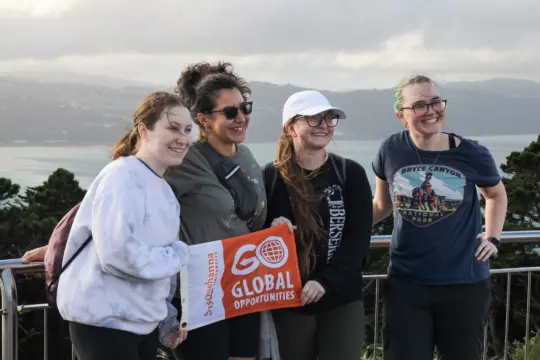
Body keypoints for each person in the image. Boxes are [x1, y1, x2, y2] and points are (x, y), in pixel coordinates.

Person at [372, 75, 508, 360]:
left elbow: (495, 195)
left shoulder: (472, 153)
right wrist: (337, 227)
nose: (431, 110)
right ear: (402, 115)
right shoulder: (391, 150)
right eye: (419, 105)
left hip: (464, 284)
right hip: (407, 285)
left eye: (435, 101)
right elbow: (382, 206)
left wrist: (493, 237)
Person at [165, 61, 292, 360]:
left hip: (244, 286)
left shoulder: (246, 155)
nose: (241, 118)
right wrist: (69, 236)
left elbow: (247, 220)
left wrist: (276, 225)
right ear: (204, 120)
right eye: (231, 112)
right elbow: (129, 193)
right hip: (202, 292)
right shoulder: (185, 160)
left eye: (245, 108)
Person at [56, 92, 192, 360]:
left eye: (188, 130)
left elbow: (156, 272)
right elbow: (118, 255)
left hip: (140, 326)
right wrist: (178, 254)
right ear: (144, 130)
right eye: (172, 128)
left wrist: (166, 318)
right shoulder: (122, 177)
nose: (183, 138)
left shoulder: (163, 190)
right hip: (104, 324)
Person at [263, 90, 373, 360]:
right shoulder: (271, 177)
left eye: (329, 119)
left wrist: (325, 281)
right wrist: (270, 229)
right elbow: (254, 236)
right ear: (291, 128)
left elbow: (357, 240)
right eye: (314, 119)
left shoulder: (350, 174)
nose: (324, 125)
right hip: (289, 300)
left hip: (342, 297)